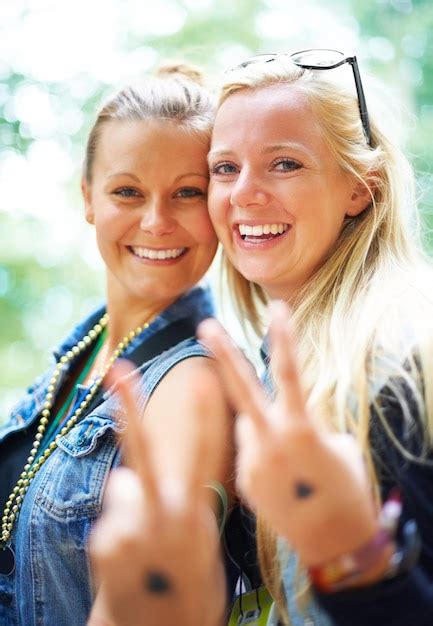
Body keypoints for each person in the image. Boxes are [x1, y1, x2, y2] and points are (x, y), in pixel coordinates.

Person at [91, 49, 433, 626]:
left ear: (360, 188)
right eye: (225, 168)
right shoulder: (287, 358)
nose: (244, 193)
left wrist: (354, 556)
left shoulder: (396, 357)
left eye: (285, 164)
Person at [0, 64, 232, 626]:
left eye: (187, 193)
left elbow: (158, 599)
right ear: (88, 198)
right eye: (128, 191)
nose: (156, 221)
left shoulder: (192, 383)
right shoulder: (84, 350)